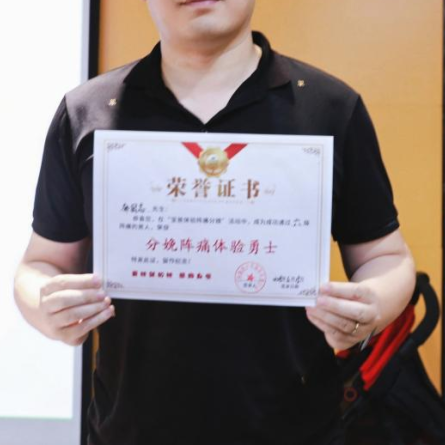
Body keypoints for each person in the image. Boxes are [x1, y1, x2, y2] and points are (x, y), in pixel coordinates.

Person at [14, 1, 416, 444]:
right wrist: (44, 306)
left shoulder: (329, 108)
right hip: (130, 432)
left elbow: (386, 256)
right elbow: (41, 263)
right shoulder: (88, 112)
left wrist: (373, 305)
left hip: (296, 431)